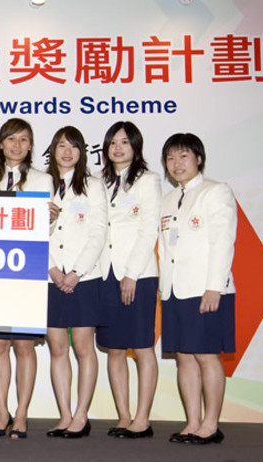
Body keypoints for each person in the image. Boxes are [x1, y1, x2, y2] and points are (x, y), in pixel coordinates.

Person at [159, 133, 236, 445]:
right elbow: (166, 250)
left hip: (206, 289)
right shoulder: (167, 199)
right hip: (175, 291)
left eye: (183, 156)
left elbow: (223, 241)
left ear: (198, 159)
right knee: (184, 357)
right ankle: (192, 422)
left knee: (206, 356)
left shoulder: (215, 192)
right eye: (171, 158)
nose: (177, 164)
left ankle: (211, 424)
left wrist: (214, 287)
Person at [0, 118, 53, 439]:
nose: (17, 145)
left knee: (24, 346)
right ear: (0, 143)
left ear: (30, 146)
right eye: (11, 139)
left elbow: (46, 228)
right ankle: (1, 414)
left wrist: (48, 217)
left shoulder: (42, 180)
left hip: (27, 271)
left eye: (24, 140)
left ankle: (22, 414)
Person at [95, 122, 161, 439]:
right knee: (114, 348)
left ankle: (143, 418)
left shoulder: (148, 181)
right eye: (113, 142)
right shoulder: (96, 182)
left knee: (142, 347)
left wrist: (131, 274)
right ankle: (123, 416)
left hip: (137, 275)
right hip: (104, 274)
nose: (118, 148)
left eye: (125, 142)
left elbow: (149, 230)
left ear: (136, 146)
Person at [45, 126, 108, 439]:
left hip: (84, 277)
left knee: (83, 347)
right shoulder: (42, 185)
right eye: (61, 146)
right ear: (52, 150)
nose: (67, 152)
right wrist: (53, 271)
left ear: (83, 152)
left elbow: (98, 233)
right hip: (50, 277)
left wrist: (76, 273)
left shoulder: (93, 186)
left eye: (73, 146)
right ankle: (65, 415)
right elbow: (30, 231)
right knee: (57, 348)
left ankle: (82, 415)